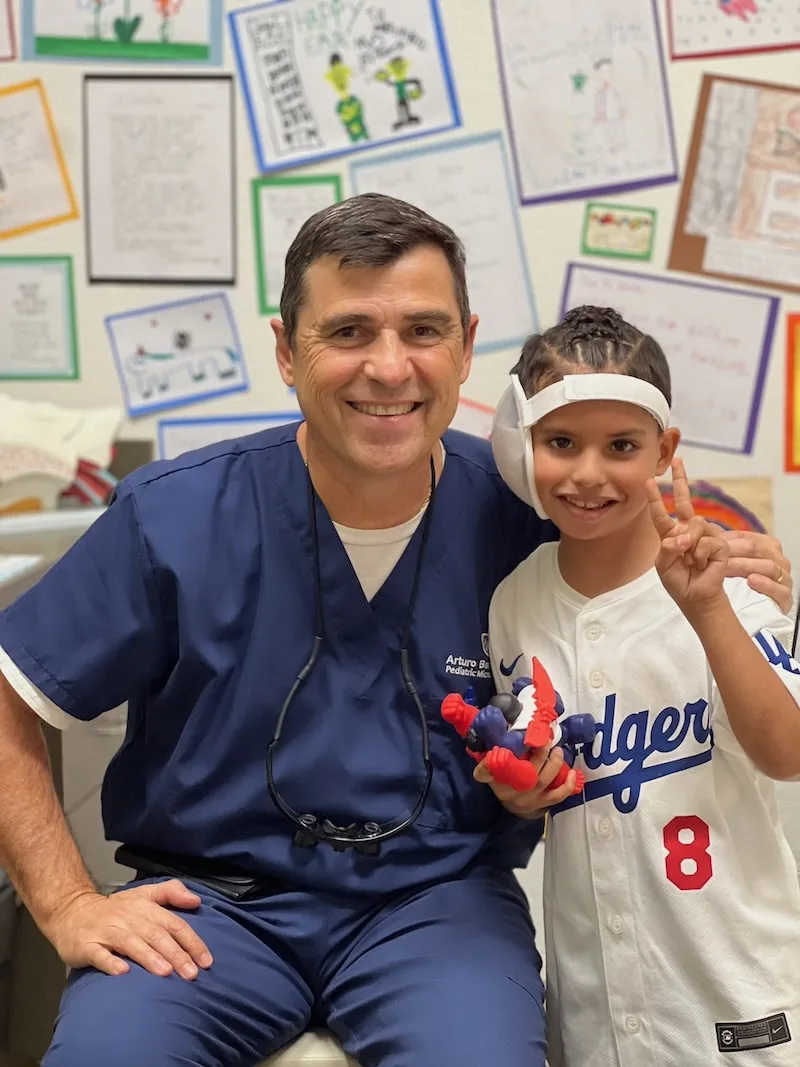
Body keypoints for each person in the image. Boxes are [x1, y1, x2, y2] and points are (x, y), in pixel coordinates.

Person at [0, 199, 790, 1067]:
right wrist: (68, 901)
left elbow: (641, 507)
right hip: (212, 908)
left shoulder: (529, 508)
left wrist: (738, 557)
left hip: (435, 909)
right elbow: (12, 689)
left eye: (423, 328)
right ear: (285, 350)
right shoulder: (177, 514)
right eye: (348, 331)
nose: (389, 367)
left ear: (464, 344)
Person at [482, 304, 800, 1066]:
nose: (588, 473)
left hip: (738, 986)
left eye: (621, 446)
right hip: (594, 995)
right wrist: (519, 790)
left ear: (665, 449)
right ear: (523, 447)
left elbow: (786, 753)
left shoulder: (730, 578)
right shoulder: (512, 602)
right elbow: (527, 765)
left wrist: (707, 609)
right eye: (561, 443)